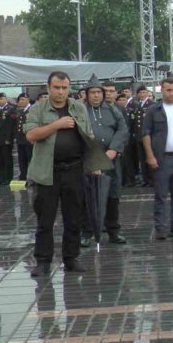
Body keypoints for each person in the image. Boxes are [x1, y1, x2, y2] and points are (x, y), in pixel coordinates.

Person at [24, 71, 112, 278]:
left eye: (64, 88)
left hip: (73, 169)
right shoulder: (38, 109)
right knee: (45, 219)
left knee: (73, 217)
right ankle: (43, 261)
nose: (61, 92)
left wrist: (94, 164)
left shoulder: (78, 107)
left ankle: (71, 258)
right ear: (48, 88)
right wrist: (56, 125)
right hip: (47, 172)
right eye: (56, 87)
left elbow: (88, 135)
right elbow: (30, 135)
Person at [80, 76, 129, 246]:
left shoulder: (112, 110)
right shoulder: (81, 111)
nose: (96, 96)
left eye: (98, 93)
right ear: (87, 94)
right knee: (89, 198)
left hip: (111, 161)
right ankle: (87, 232)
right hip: (90, 162)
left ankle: (113, 230)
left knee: (112, 197)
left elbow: (122, 130)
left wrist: (114, 149)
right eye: (92, 92)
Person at [142, 78, 173, 240]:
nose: (172, 93)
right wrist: (150, 156)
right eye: (169, 90)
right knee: (161, 195)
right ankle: (160, 228)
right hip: (162, 159)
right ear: (161, 90)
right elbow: (146, 134)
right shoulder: (153, 110)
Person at [0, 93, 17, 186]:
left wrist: (9, 138)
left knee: (7, 160)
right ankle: (1, 179)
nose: (0, 101)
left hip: (5, 139)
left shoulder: (11, 109)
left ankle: (8, 179)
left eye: (2, 98)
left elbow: (11, 125)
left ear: (6, 99)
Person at [15, 93, 32, 181]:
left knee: (30, 159)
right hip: (20, 139)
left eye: (22, 99)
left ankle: (33, 178)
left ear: (28, 100)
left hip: (29, 139)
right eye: (20, 100)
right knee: (22, 160)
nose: (20, 101)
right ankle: (23, 177)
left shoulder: (32, 109)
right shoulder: (20, 111)